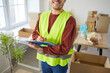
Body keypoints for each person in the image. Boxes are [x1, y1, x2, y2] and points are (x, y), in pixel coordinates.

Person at [28, 0, 76, 73]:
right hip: (44, 60)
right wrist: (38, 38)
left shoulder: (69, 20)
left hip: (59, 63)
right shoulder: (43, 16)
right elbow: (35, 33)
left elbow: (64, 48)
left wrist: (41, 48)